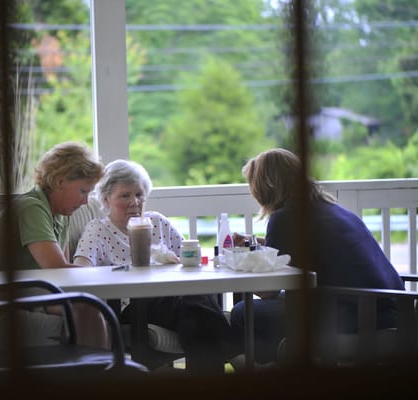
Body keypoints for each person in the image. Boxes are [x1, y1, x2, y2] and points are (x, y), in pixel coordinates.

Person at [230, 148, 405, 364]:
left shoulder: (286, 218)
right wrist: (253, 242)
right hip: (393, 311)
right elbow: (295, 249)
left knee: (242, 313)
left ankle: (263, 375)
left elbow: (268, 290)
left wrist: (236, 263)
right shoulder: (332, 209)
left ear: (264, 188)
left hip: (356, 317)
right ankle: (282, 365)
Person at [73, 159, 237, 374]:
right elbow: (81, 267)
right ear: (106, 199)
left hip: (172, 299)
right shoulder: (99, 230)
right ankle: (237, 358)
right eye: (125, 195)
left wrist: (175, 262)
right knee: (196, 301)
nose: (134, 202)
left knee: (194, 313)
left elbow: (189, 257)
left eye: (139, 195)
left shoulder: (157, 222)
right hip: (132, 305)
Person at [0, 141, 109, 350]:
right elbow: (57, 269)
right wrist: (107, 273)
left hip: (26, 297)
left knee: (90, 309)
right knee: (88, 310)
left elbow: (62, 278)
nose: (85, 202)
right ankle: (92, 377)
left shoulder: (61, 213)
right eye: (82, 191)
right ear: (60, 182)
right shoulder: (31, 208)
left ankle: (91, 376)